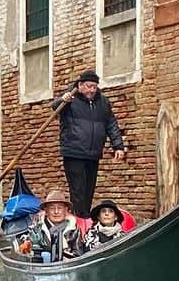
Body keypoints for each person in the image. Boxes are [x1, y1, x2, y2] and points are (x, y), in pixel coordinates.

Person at [55, 70, 125, 217]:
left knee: (89, 189)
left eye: (94, 86)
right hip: (73, 152)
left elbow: (111, 124)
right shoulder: (70, 98)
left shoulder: (103, 102)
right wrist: (63, 100)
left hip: (93, 153)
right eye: (89, 86)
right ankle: (80, 219)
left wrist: (118, 146)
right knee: (78, 189)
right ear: (80, 85)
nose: (92, 90)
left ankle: (85, 217)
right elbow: (55, 107)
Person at [18, 191, 84, 263]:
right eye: (52, 208)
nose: (56, 212)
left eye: (60, 208)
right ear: (46, 211)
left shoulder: (74, 229)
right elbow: (25, 247)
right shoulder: (36, 228)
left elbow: (78, 255)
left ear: (65, 210)